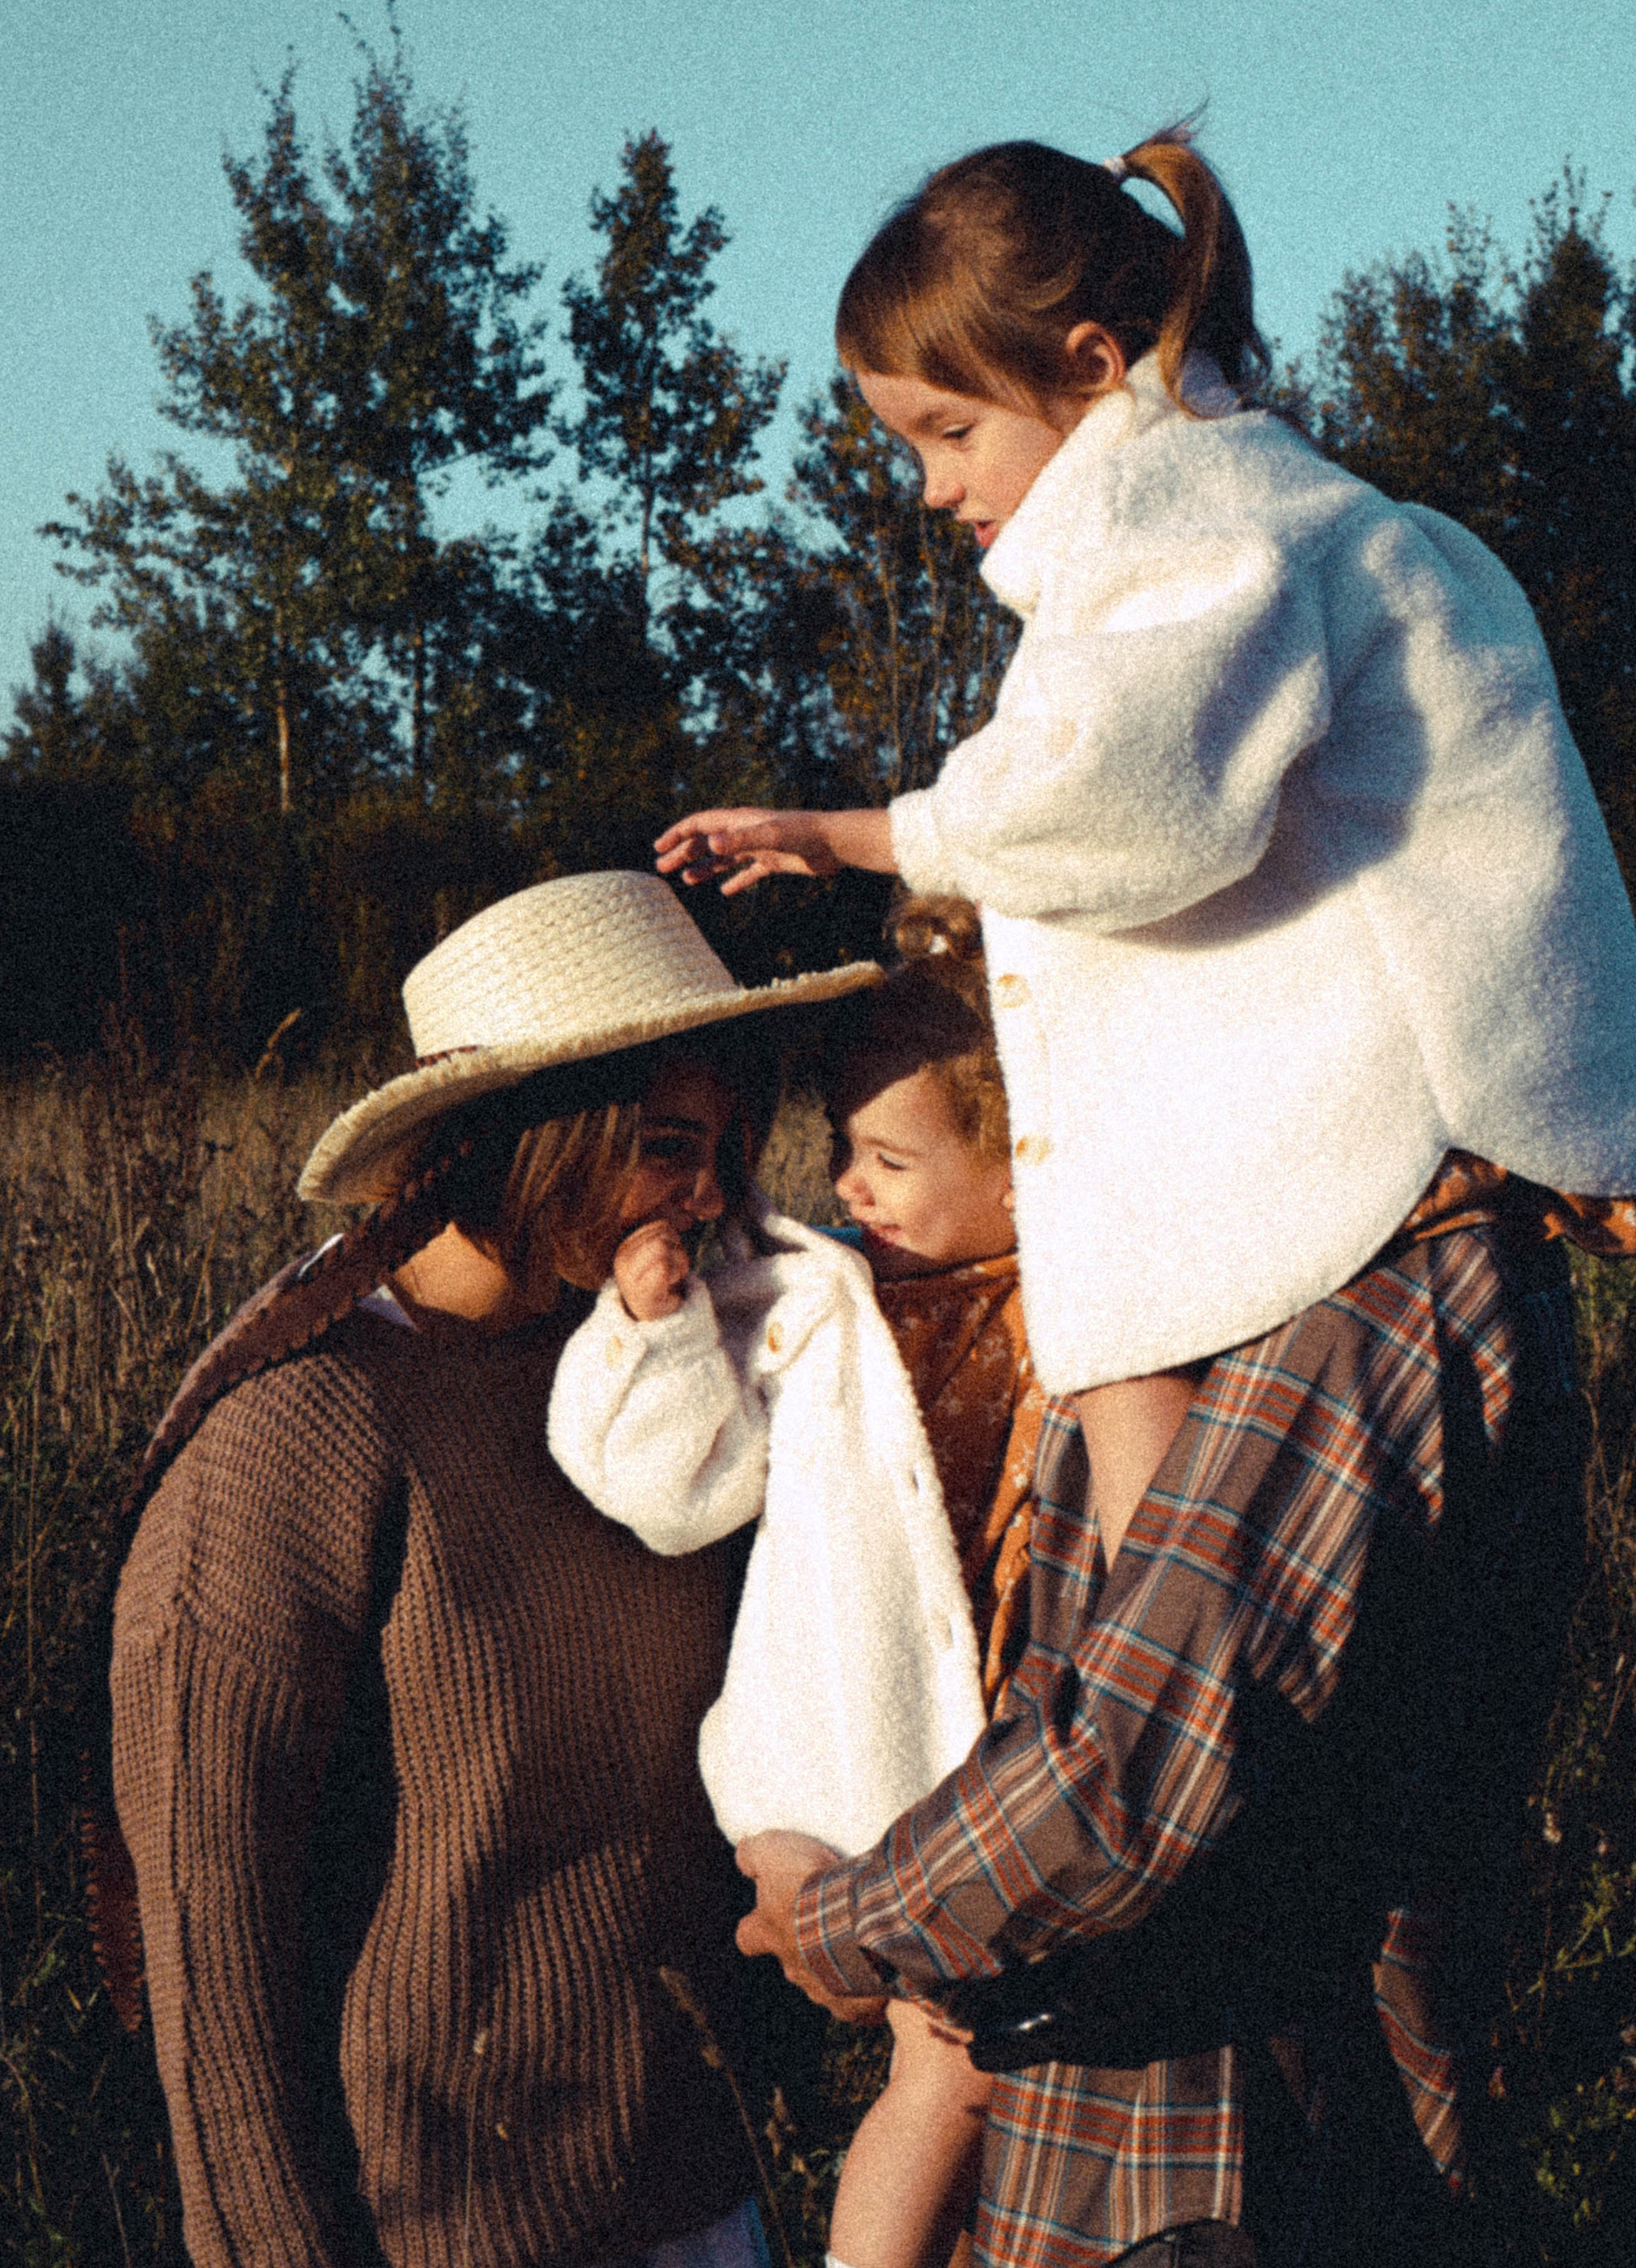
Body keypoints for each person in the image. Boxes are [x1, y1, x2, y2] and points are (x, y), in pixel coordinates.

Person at [652, 133, 1636, 2264]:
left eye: (947, 431)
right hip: (1246, 2139)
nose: (931, 491)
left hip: (1215, 2168)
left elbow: (1140, 1753)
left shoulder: (1225, 538)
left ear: (1099, 368)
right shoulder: (1248, 552)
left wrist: (859, 1927)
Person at [102, 870, 881, 2268]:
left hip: (706, 2189)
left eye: (724, 1146)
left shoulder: (665, 1373)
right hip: (443, 2221)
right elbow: (209, 1937)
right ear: (535, 1136)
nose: (711, 1194)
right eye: (665, 1146)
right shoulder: (305, 1428)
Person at [548, 896, 1046, 2268]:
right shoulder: (814, 1300)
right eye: (841, 1150)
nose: (850, 1189)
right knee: (951, 2071)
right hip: (855, 1759)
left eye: (889, 1158)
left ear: (1023, 1167)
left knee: (1012, 2083)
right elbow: (670, 1490)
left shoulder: (1082, 1299)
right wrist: (653, 1335)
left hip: (1017, 1758)